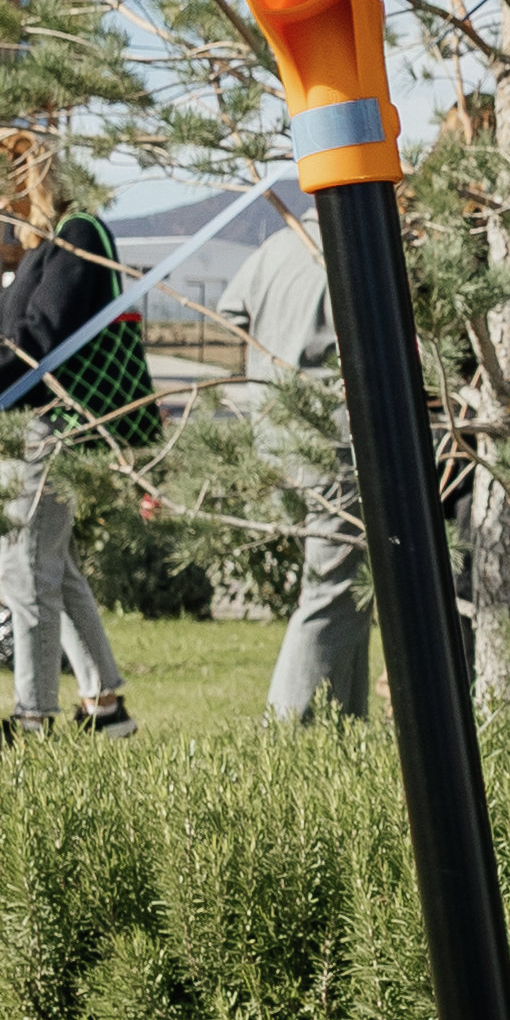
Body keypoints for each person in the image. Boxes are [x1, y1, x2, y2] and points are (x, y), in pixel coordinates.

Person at [0, 129, 149, 734]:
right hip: (34, 426)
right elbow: (24, 341)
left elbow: (37, 346)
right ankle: (104, 706)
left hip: (57, 426)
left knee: (24, 570)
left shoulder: (79, 235)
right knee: (53, 566)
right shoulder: (43, 247)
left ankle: (33, 716)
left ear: (26, 175)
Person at [227, 208, 370, 726]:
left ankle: (348, 721)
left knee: (350, 581)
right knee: (331, 585)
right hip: (330, 437)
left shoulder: (275, 247)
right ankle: (288, 726)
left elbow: (233, 312)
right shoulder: (354, 238)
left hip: (275, 430)